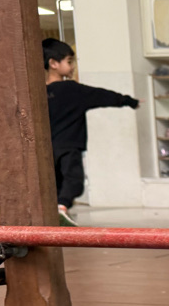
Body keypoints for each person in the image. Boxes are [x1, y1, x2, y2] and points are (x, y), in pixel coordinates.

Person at [43, 38, 139, 227]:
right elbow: (102, 95)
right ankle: (61, 208)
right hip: (70, 146)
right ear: (53, 63)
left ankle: (57, 213)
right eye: (69, 61)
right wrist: (129, 101)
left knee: (56, 183)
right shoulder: (74, 90)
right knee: (74, 181)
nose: (72, 66)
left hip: (48, 149)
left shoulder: (40, 94)